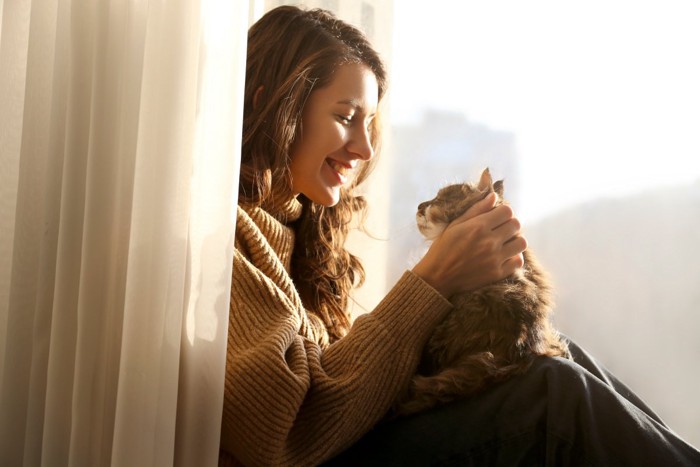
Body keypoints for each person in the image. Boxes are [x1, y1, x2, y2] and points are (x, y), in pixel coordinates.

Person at [220, 5, 700, 466]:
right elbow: (281, 436)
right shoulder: (222, 240)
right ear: (270, 103)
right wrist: (434, 279)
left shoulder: (298, 232)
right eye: (346, 116)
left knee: (554, 352)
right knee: (553, 395)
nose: (365, 147)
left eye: (369, 123)